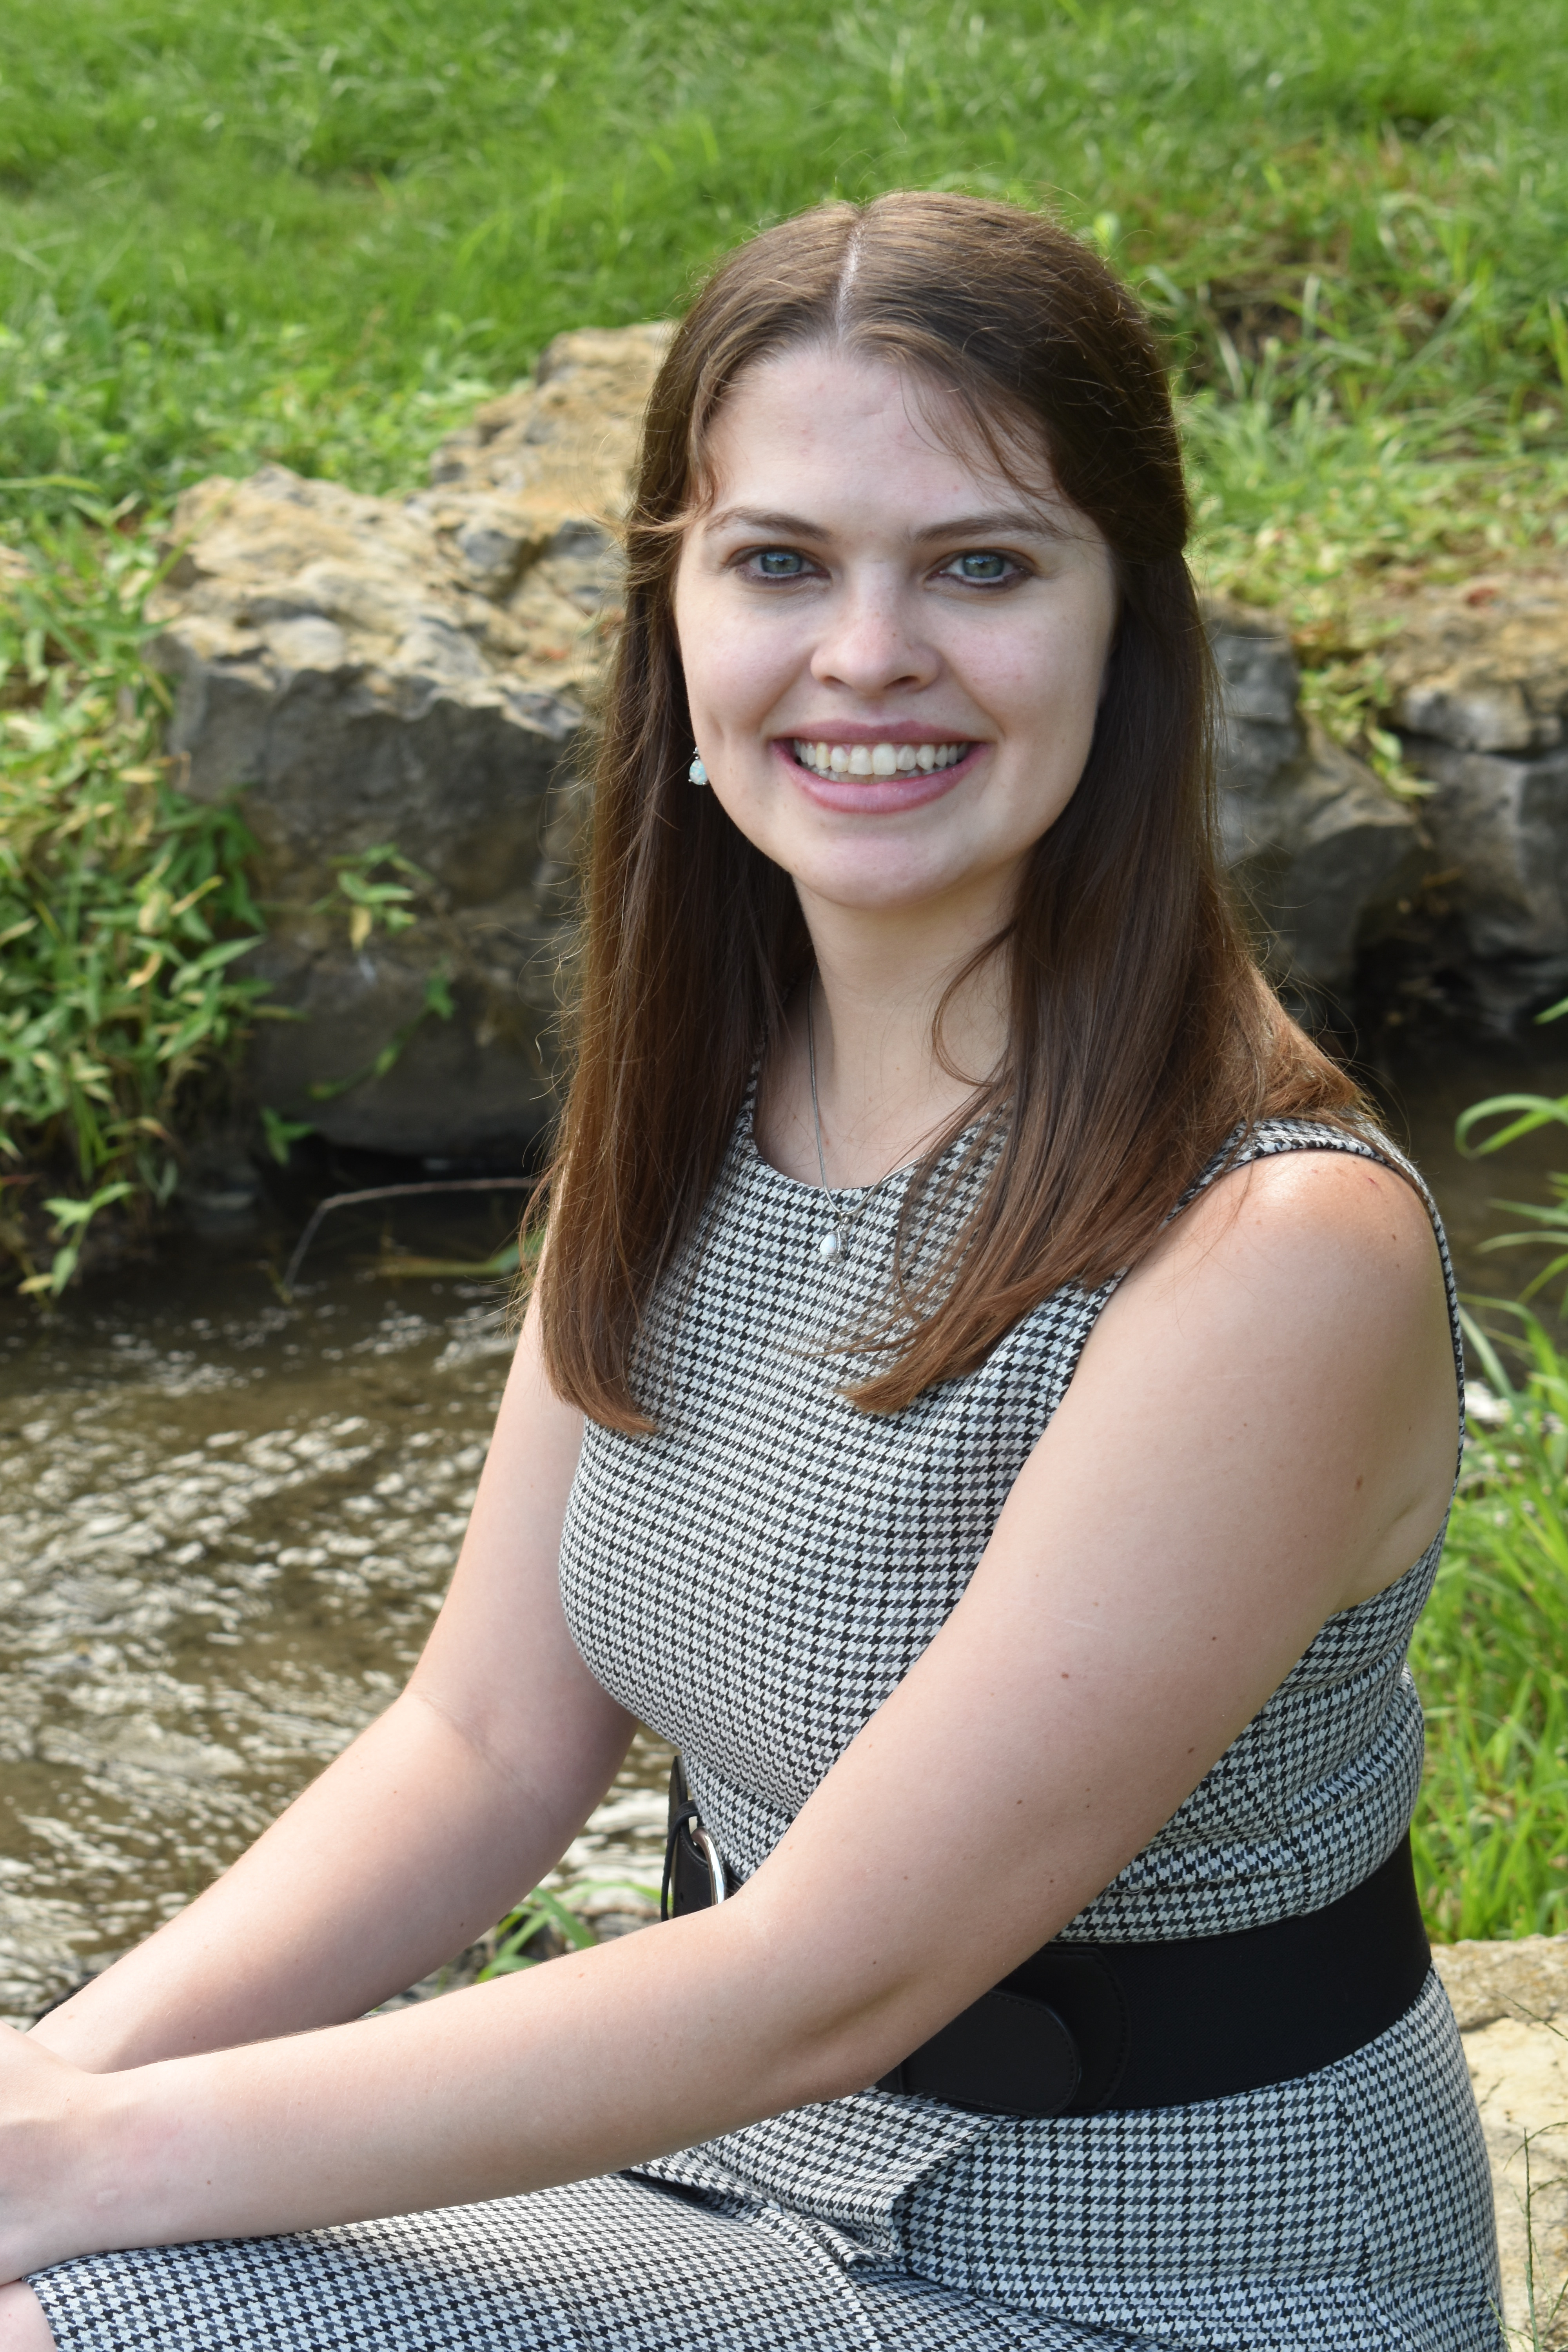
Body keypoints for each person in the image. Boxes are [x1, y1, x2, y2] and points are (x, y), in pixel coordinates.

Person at [0, 191, 1499, 2352]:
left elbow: (830, 1979)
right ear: (676, 618)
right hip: (730, 2194)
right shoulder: (704, 1096)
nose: (867, 652)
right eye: (781, 562)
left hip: (1157, 2288)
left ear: (1129, 630)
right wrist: (59, 2091)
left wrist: (91, 2173)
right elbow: (482, 1745)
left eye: (980, 565)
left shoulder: (1275, 1244)